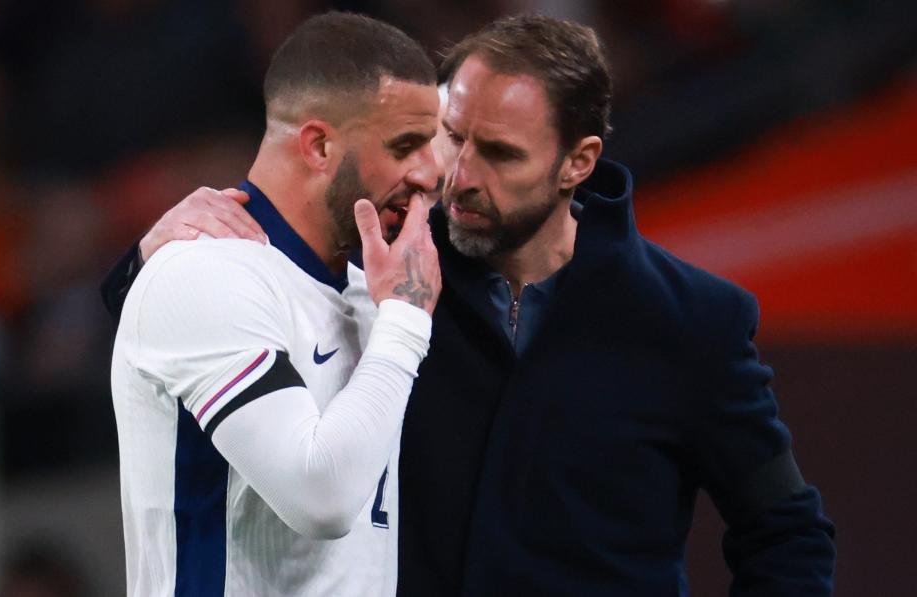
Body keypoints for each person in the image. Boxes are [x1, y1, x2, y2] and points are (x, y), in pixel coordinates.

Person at [104, 14, 836, 597]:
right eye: (452, 139)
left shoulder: (689, 322)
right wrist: (150, 257)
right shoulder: (393, 274)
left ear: (576, 162)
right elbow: (200, 322)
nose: (457, 178)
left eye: (502, 153)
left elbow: (789, 534)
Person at [108, 12, 441, 597]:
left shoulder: (376, 292)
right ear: (317, 145)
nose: (431, 172)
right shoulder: (204, 273)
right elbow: (321, 499)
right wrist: (408, 320)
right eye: (406, 145)